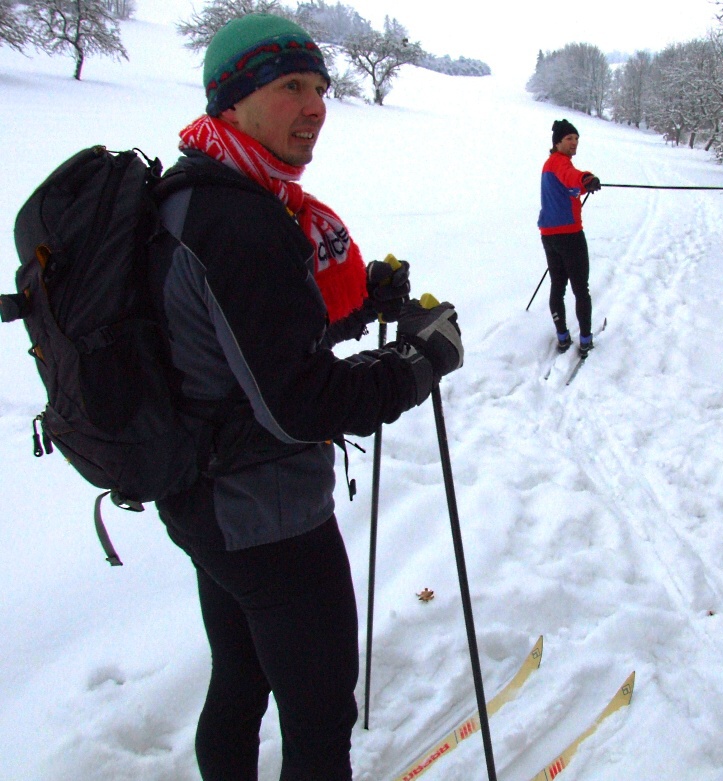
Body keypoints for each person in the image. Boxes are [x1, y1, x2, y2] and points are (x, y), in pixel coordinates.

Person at [148, 13, 463, 781]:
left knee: (241, 678)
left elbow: (246, 339)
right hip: (268, 521)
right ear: (232, 98)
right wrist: (419, 362)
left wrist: (358, 305)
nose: (316, 105)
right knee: (320, 721)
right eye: (290, 86)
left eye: (320, 87)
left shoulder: (191, 192)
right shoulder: (239, 219)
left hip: (202, 501)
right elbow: (301, 401)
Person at [537, 118, 601, 355]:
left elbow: (569, 185)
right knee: (580, 288)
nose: (574, 143)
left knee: (558, 285)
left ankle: (563, 337)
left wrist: (586, 185)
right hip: (570, 236)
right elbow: (572, 176)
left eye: (576, 139)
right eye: (569, 139)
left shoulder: (549, 165)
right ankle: (585, 339)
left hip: (550, 236)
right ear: (557, 142)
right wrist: (586, 179)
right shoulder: (560, 163)